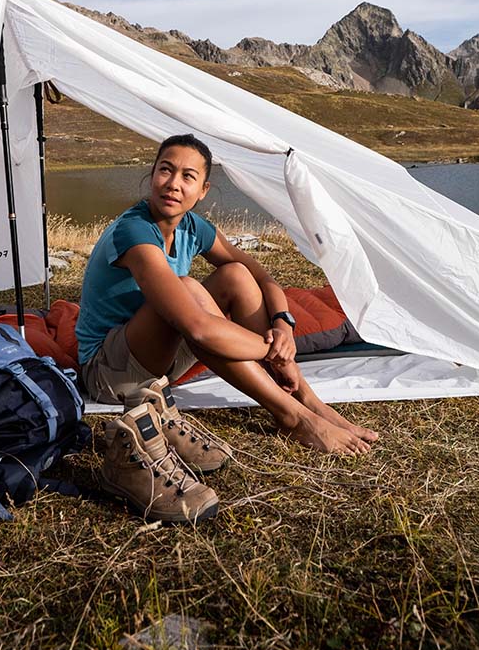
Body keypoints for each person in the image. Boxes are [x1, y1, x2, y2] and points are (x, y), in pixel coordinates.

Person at [76, 133, 379, 455]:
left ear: (203, 190)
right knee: (189, 288)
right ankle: (293, 416)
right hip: (110, 374)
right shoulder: (134, 230)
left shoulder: (192, 227)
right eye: (165, 170)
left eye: (188, 176)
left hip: (158, 360)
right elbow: (198, 327)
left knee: (235, 275)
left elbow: (262, 277)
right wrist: (275, 353)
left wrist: (283, 324)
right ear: (152, 175)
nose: (173, 184)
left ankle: (306, 398)